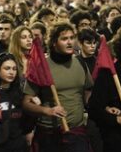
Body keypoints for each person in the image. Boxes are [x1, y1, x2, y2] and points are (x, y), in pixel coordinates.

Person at [22, 22, 93, 152]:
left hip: (77, 133)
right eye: (64, 39)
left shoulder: (80, 63)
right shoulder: (41, 67)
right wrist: (48, 111)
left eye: (72, 38)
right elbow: (26, 103)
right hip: (48, 134)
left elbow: (88, 91)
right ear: (54, 42)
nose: (70, 42)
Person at [0, 53, 28, 152]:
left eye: (14, 69)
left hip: (19, 146)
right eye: (7, 68)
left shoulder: (20, 93)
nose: (11, 72)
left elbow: (26, 122)